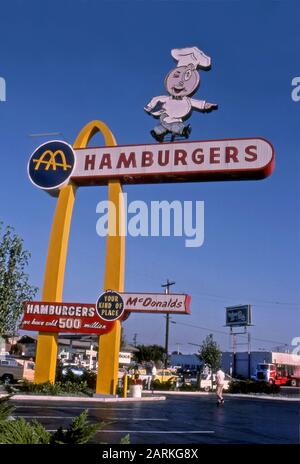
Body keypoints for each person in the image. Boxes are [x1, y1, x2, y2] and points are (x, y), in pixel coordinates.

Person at [144, 46, 218, 142]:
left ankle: (156, 132)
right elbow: (156, 100)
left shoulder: (186, 99)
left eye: (187, 78)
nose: (180, 83)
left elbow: (195, 103)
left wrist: (206, 105)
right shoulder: (166, 99)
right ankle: (182, 131)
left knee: (166, 126)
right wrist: (149, 107)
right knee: (173, 124)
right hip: (167, 116)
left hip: (176, 119)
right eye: (176, 76)